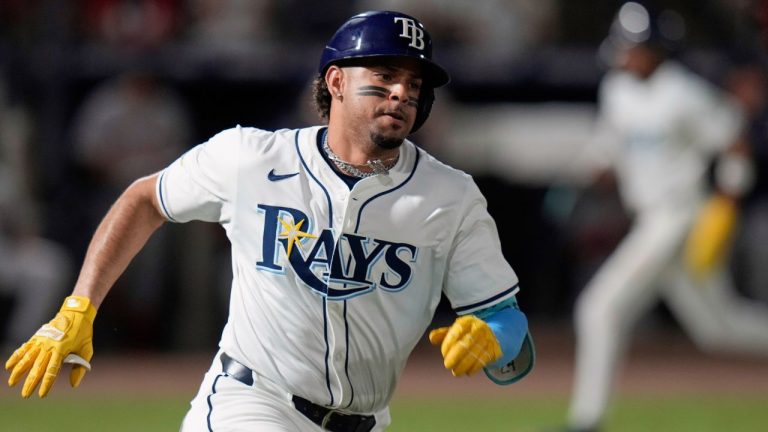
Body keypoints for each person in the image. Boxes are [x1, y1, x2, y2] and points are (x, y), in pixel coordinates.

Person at [5, 11, 534, 432]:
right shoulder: (252, 158)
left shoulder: (451, 196)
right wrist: (79, 307)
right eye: (385, 76)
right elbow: (145, 199)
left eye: (415, 83)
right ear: (337, 81)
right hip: (250, 404)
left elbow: (506, 321)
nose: (402, 92)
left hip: (366, 421)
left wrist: (493, 336)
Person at [565, 3, 768, 431]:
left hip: (680, 217)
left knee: (599, 309)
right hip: (649, 216)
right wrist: (594, 167)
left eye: (634, 48)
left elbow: (735, 142)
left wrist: (728, 201)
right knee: (720, 328)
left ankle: (587, 421)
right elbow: (609, 145)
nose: (626, 56)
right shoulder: (617, 88)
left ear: (657, 49)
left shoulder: (684, 93)